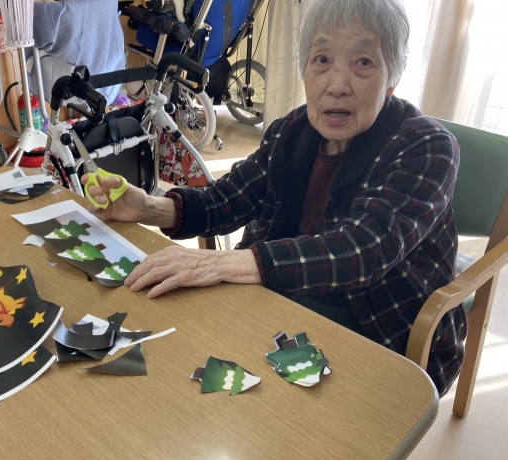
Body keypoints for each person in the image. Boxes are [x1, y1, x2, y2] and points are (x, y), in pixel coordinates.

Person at [82, 0, 467, 397]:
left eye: (363, 62)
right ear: (305, 69)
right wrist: (148, 206)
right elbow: (227, 200)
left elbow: (363, 249)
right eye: (322, 59)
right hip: (285, 297)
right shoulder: (291, 131)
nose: (337, 84)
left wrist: (222, 264)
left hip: (380, 324)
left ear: (391, 80)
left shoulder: (427, 145)